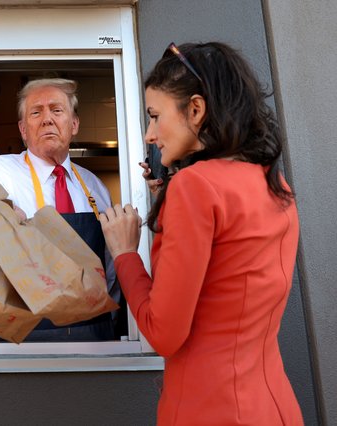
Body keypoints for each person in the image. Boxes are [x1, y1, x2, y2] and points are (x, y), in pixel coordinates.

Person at [99, 42, 302, 424]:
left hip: (210, 409)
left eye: (155, 116)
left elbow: (164, 333)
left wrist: (126, 253)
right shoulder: (274, 182)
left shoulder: (194, 187)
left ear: (195, 110)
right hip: (274, 405)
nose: (149, 134)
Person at [0, 77, 124, 341]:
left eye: (57, 110)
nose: (47, 119)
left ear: (74, 125)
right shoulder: (2, 169)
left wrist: (108, 317)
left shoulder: (95, 186)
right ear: (23, 129)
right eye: (36, 112)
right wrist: (0, 216)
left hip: (91, 334)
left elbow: (110, 263)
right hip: (24, 333)